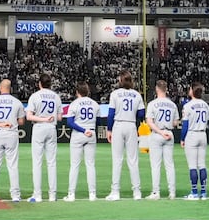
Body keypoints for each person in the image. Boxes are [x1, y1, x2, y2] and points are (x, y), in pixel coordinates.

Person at [105, 72, 144, 200]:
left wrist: (109, 130)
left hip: (118, 125)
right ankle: (137, 192)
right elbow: (141, 114)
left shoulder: (115, 94)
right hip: (131, 125)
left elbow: (110, 114)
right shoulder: (137, 94)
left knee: (117, 160)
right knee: (133, 160)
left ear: (121, 80)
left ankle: (115, 191)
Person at [26, 74, 62, 203]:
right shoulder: (56, 97)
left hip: (39, 127)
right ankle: (52, 195)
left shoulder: (35, 96)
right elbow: (59, 118)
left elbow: (29, 117)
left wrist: (43, 118)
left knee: (37, 162)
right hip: (51, 128)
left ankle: (37, 195)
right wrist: (49, 118)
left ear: (39, 83)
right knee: (51, 162)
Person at [65, 81, 98, 201]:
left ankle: (71, 194)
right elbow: (98, 121)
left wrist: (83, 130)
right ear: (87, 91)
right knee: (90, 164)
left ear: (77, 91)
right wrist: (88, 129)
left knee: (75, 165)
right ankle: (92, 194)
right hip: (91, 133)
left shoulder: (74, 104)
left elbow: (69, 122)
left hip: (78, 134)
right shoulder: (95, 104)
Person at [145, 81, 178, 201]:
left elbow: (149, 122)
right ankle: (172, 192)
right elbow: (175, 122)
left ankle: (156, 192)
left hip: (157, 134)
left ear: (157, 89)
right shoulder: (172, 104)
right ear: (166, 89)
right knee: (170, 165)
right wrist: (166, 129)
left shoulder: (153, 104)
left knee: (156, 165)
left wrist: (160, 132)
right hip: (169, 133)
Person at [182, 83, 209, 199]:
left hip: (192, 134)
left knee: (192, 165)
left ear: (192, 91)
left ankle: (194, 192)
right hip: (203, 134)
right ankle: (203, 192)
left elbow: (185, 124)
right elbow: (208, 122)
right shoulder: (206, 105)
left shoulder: (188, 105)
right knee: (202, 164)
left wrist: (182, 139)